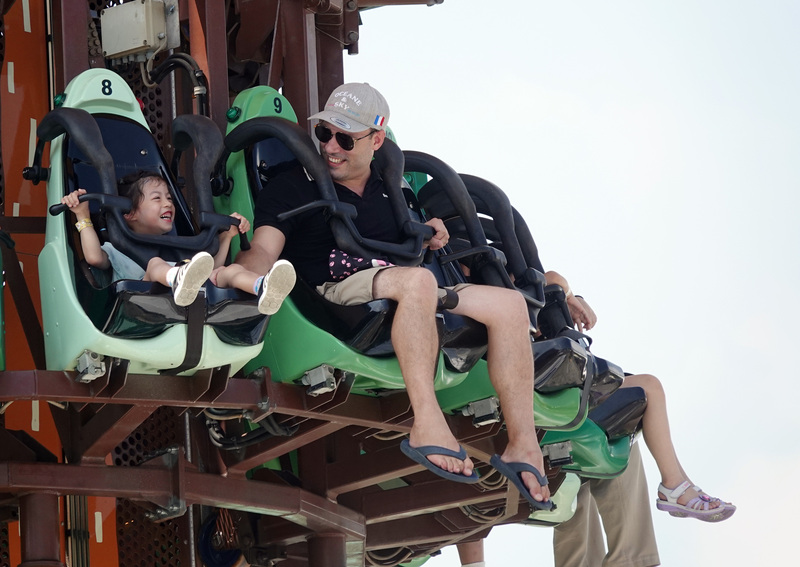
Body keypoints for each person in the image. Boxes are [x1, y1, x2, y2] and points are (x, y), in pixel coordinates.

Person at [236, 82, 552, 510]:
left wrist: (432, 233)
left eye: (346, 139)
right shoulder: (292, 186)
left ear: (376, 139)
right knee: (417, 283)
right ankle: (427, 423)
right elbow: (264, 250)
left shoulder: (392, 188)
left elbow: (411, 245)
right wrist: (242, 271)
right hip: (335, 290)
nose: (331, 147)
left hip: (405, 282)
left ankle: (523, 446)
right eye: (324, 133)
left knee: (510, 305)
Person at [60, 170, 295, 314]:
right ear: (129, 214)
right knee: (155, 264)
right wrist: (82, 216)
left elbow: (210, 270)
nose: (168, 203)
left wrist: (226, 237)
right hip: (139, 307)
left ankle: (262, 287)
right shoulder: (116, 248)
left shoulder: (178, 245)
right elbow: (93, 258)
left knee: (230, 270)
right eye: (157, 198)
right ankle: (177, 278)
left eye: (169, 198)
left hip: (189, 305)